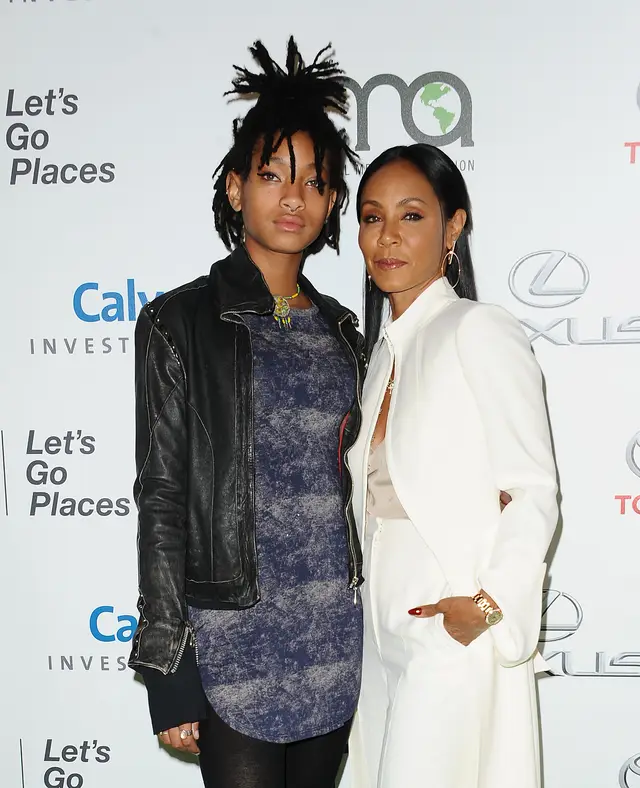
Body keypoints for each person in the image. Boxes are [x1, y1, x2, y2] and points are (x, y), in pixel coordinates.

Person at [127, 38, 365, 788]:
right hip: (231, 644)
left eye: (315, 182)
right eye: (271, 175)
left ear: (331, 204)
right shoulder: (180, 323)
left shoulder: (345, 334)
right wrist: (170, 670)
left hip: (335, 639)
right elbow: (163, 496)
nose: (293, 197)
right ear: (235, 189)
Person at [345, 144, 559, 788]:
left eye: (411, 216)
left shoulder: (478, 329)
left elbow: (534, 490)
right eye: (371, 216)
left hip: (449, 620)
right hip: (377, 633)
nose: (386, 237)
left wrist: (489, 606)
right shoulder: (377, 357)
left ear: (453, 227)